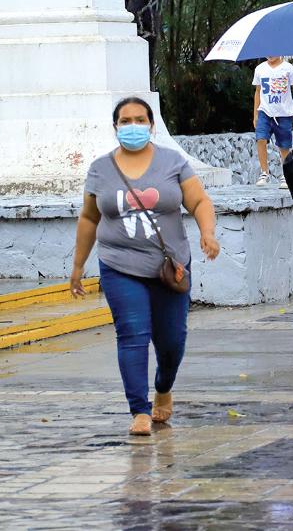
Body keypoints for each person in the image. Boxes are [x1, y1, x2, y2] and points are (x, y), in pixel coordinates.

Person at [71, 96, 221, 437]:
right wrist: (78, 266)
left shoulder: (172, 161)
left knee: (172, 340)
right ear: (115, 127)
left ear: (152, 125)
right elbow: (89, 218)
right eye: (126, 120)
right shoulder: (100, 168)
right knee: (132, 334)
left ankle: (163, 387)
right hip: (119, 264)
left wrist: (207, 233)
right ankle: (138, 409)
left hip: (170, 267)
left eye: (140, 119)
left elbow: (199, 200)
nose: (133, 126)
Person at [252, 55, 293, 187]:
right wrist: (255, 114)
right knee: (260, 139)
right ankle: (264, 172)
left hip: (284, 113)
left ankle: (286, 175)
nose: (270, 54)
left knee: (284, 146)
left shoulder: (288, 68)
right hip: (265, 112)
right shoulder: (260, 69)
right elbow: (257, 92)